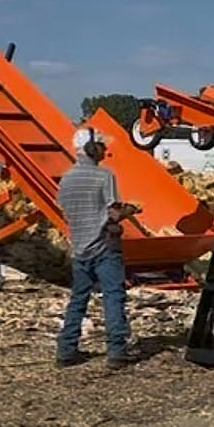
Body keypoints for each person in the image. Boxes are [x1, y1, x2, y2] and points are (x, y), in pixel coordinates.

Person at [56, 126, 144, 368]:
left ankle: (66, 350)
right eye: (102, 145)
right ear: (91, 148)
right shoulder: (104, 176)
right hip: (105, 247)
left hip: (80, 249)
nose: (105, 149)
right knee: (113, 297)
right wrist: (132, 210)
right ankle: (116, 351)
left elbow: (66, 212)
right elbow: (113, 214)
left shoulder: (66, 179)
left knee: (78, 299)